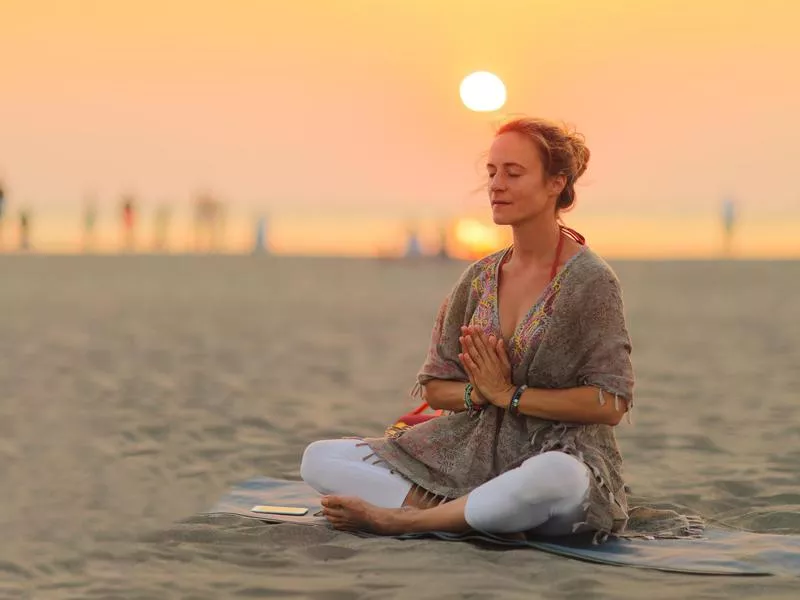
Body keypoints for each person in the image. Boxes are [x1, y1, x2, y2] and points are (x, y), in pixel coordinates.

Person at [300, 117, 699, 543]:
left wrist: (511, 395)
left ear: (555, 183)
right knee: (319, 459)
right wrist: (480, 393)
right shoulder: (479, 278)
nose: (496, 185)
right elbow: (436, 386)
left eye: (513, 173)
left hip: (560, 454)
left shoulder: (591, 281)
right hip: (471, 453)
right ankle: (468, 512)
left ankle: (407, 520)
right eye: (492, 172)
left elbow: (610, 404)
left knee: (552, 476)